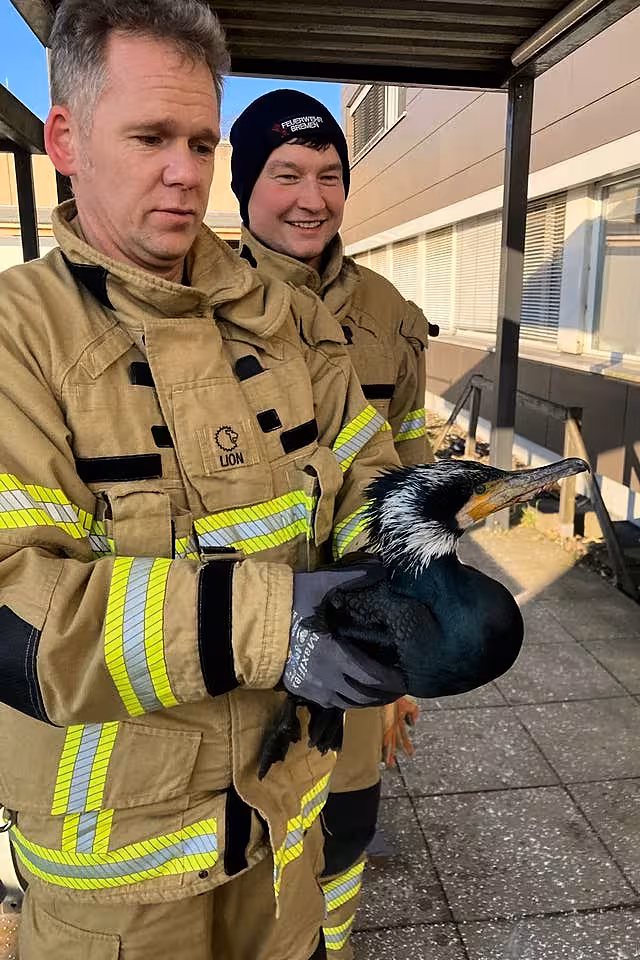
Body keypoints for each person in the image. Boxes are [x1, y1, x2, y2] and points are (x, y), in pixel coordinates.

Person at [0, 5, 411, 959]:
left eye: (199, 141)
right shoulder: (19, 338)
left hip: (281, 835)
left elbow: (369, 474)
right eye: (150, 138)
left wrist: (401, 576)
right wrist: (281, 621)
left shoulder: (289, 322)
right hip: (122, 889)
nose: (185, 171)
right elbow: (17, 607)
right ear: (66, 139)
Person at [229, 89, 434, 957]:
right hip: (239, 634)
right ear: (241, 187)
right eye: (285, 174)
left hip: (358, 628)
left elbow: (414, 482)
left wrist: (408, 654)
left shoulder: (388, 315)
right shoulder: (196, 306)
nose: (311, 197)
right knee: (241, 856)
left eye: (328, 175)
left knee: (346, 831)